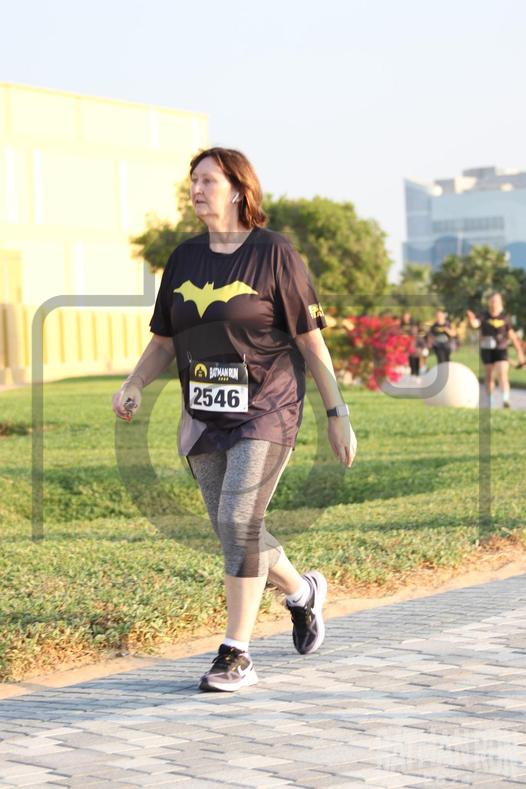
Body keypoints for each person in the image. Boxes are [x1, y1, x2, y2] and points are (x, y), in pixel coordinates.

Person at [112, 147, 357, 692]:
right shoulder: (183, 259)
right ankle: (302, 592)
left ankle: (236, 653)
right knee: (234, 529)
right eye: (193, 180)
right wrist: (134, 382)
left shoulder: (274, 254)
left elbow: (311, 341)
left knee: (238, 521)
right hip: (204, 415)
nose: (197, 189)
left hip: (268, 407)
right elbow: (164, 340)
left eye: (208, 180)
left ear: (239, 190)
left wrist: (337, 413)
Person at [466, 292, 525, 409]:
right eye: (492, 301)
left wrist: (519, 352)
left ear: (501, 303)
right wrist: (471, 320)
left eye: (497, 301)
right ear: (489, 302)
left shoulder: (505, 318)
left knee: (502, 373)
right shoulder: (483, 316)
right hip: (487, 349)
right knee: (489, 376)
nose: (494, 303)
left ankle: (505, 400)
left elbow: (512, 336)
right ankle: (490, 401)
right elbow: (475, 324)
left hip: (501, 349)